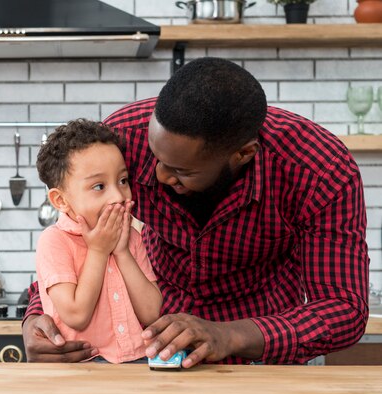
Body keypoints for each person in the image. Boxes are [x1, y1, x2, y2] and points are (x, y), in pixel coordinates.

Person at [23, 57, 369, 367]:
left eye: (181, 171)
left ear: (243, 154)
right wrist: (38, 316)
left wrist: (229, 336)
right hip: (155, 353)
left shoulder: (319, 171)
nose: (158, 174)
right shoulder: (123, 138)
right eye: (155, 157)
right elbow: (74, 235)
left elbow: (343, 309)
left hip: (260, 358)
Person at [35, 119, 163, 363]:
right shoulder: (54, 242)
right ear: (60, 200)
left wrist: (123, 252)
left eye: (123, 181)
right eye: (99, 186)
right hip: (83, 367)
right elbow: (76, 315)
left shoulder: (131, 237)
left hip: (138, 361)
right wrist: (98, 251)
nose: (117, 196)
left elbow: (152, 313)